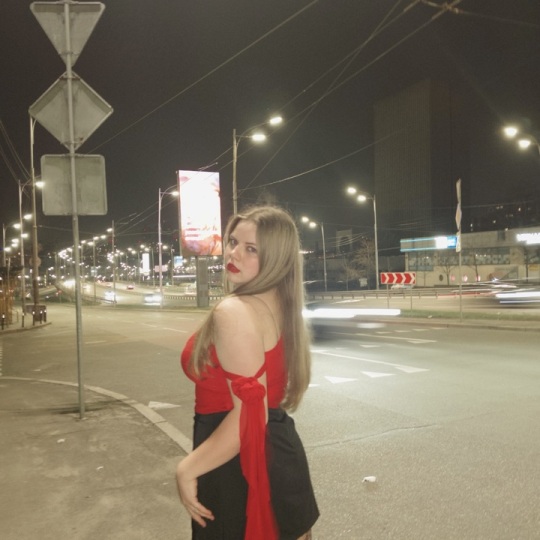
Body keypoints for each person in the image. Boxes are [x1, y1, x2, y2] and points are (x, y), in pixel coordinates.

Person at [177, 205, 319, 540]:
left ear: (276, 259)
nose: (234, 253)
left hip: (239, 467)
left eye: (251, 248)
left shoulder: (234, 310)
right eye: (233, 242)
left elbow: (249, 415)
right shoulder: (280, 305)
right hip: (279, 455)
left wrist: (186, 469)